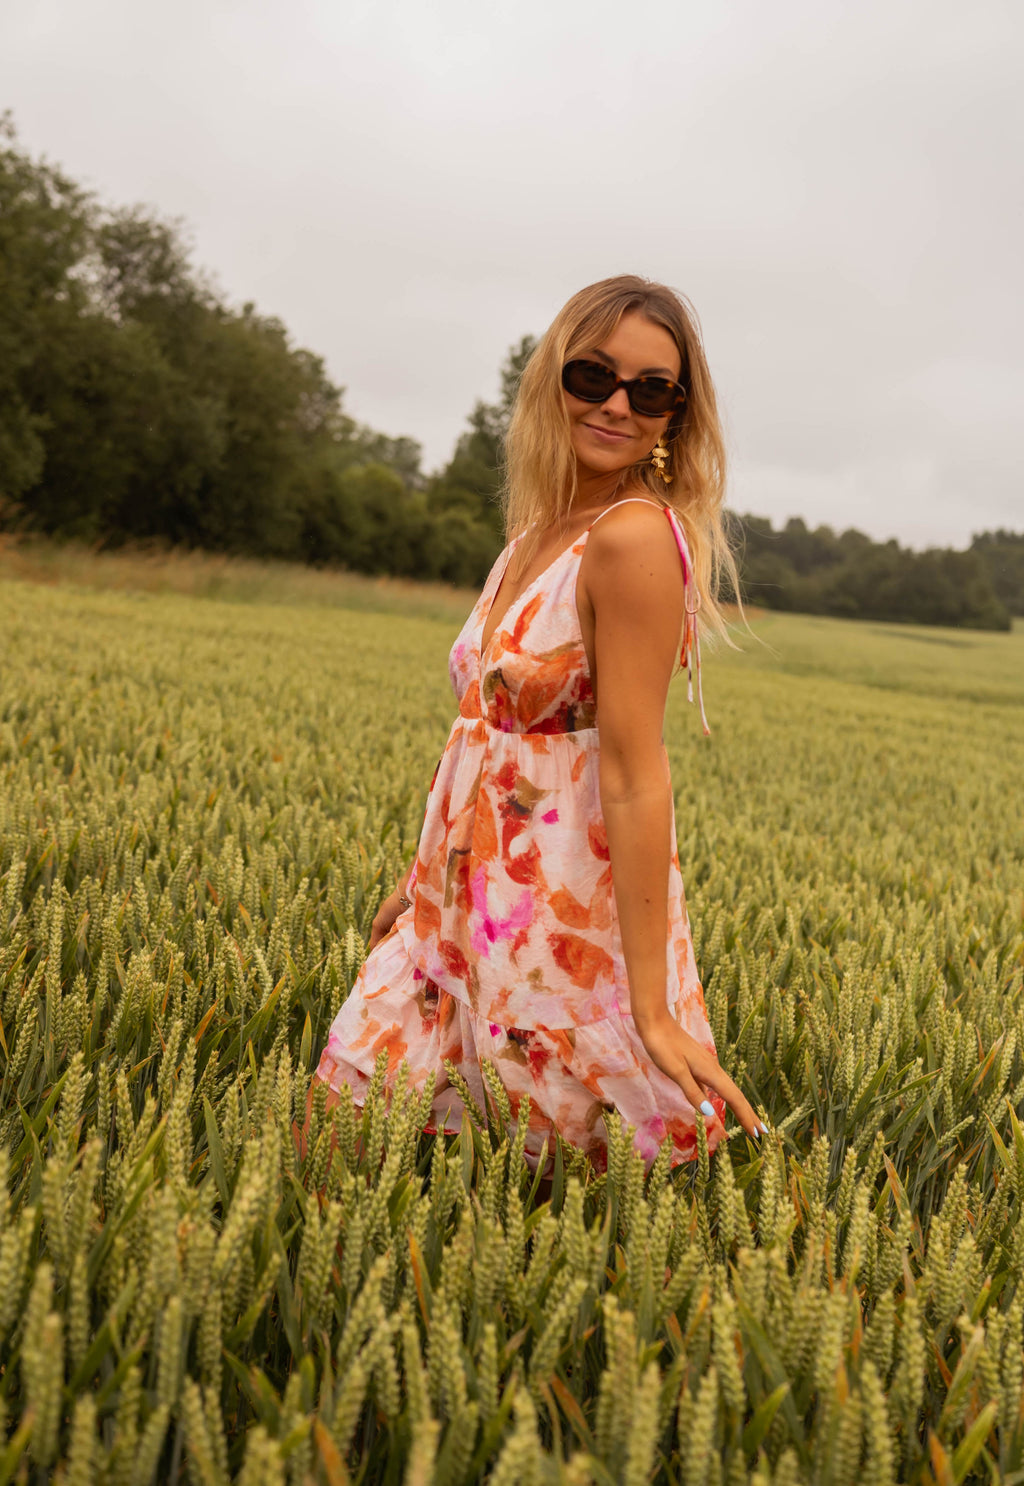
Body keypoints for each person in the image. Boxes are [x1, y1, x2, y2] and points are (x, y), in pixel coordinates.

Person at [316, 274, 766, 1167]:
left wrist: (649, 1008)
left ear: (677, 413)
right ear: (552, 377)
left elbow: (634, 771)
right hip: (458, 908)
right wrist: (419, 888)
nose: (617, 405)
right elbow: (484, 741)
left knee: (544, 1192)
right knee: (343, 1146)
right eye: (593, 375)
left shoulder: (632, 539)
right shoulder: (535, 533)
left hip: (560, 927)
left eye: (652, 390)